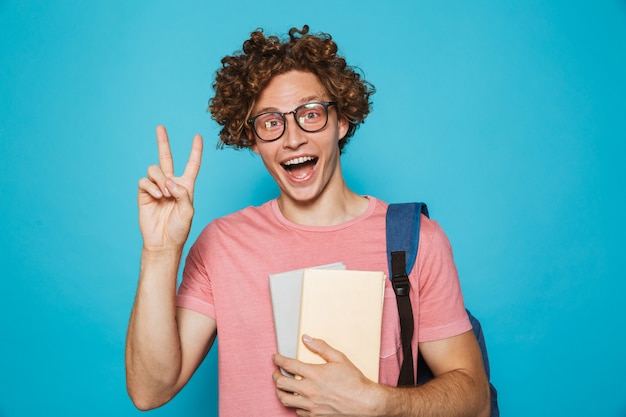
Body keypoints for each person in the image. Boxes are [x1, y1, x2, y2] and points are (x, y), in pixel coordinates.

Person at [125, 25, 491, 417]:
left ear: (342, 122)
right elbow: (150, 391)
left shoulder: (415, 240)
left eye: (310, 114)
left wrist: (378, 402)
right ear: (253, 140)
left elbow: (475, 400)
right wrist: (160, 252)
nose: (293, 138)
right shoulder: (221, 244)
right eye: (270, 122)